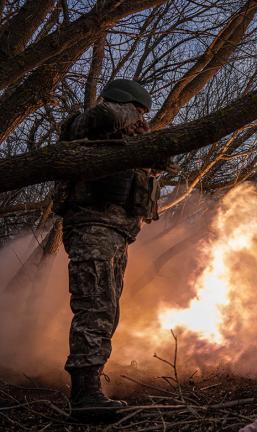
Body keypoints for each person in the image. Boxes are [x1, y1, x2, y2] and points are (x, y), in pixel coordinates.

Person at [54, 79, 163, 416]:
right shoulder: (92, 123)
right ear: (126, 104)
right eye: (139, 111)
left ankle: (91, 388)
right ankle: (85, 396)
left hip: (115, 233)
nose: (142, 119)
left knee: (106, 310)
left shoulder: (125, 139)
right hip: (93, 228)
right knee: (95, 308)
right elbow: (103, 115)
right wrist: (127, 110)